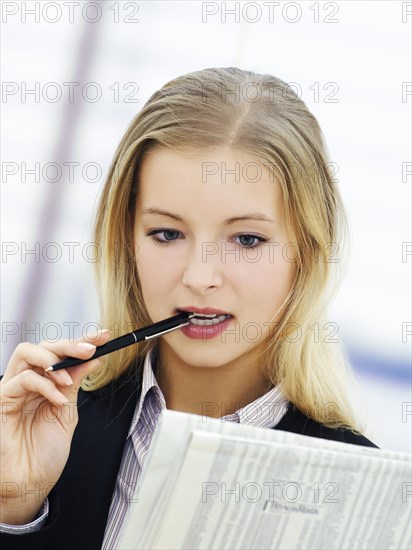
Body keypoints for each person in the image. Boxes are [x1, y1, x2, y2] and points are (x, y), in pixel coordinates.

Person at [0, 67, 377, 549]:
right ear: (126, 241)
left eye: (246, 239)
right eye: (167, 234)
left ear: (306, 253)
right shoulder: (48, 438)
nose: (200, 276)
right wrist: (15, 512)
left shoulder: (361, 492)